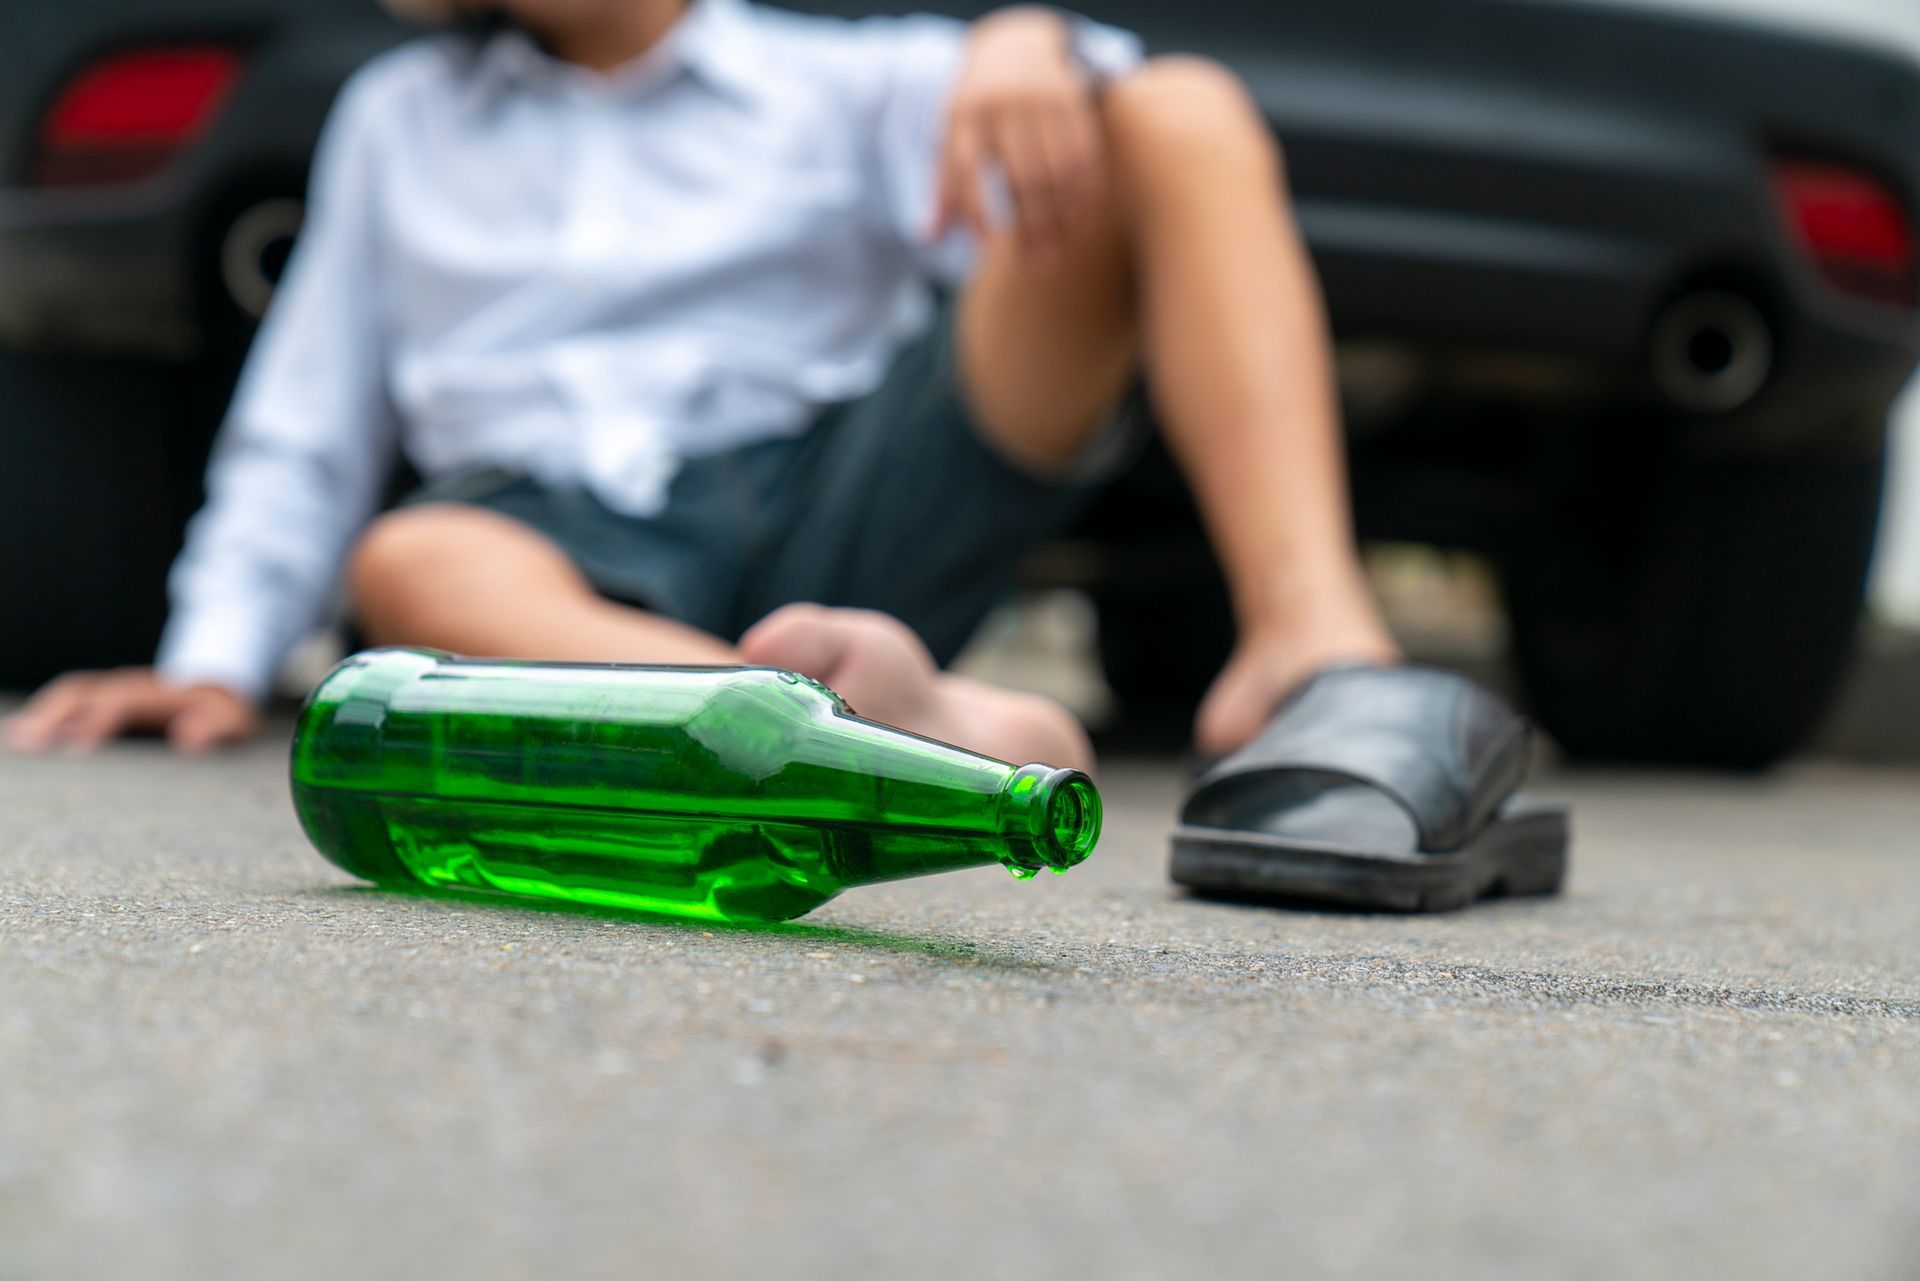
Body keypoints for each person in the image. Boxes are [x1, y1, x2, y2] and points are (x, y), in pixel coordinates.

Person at [3, 0, 1397, 770]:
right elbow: (305, 425)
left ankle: (1317, 642)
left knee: (1174, 110)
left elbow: (1095, 91)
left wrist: (1031, 34)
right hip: (562, 547)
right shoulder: (398, 119)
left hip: (842, 489)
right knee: (413, 555)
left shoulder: (818, 77)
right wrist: (210, 663)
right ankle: (894, 734)